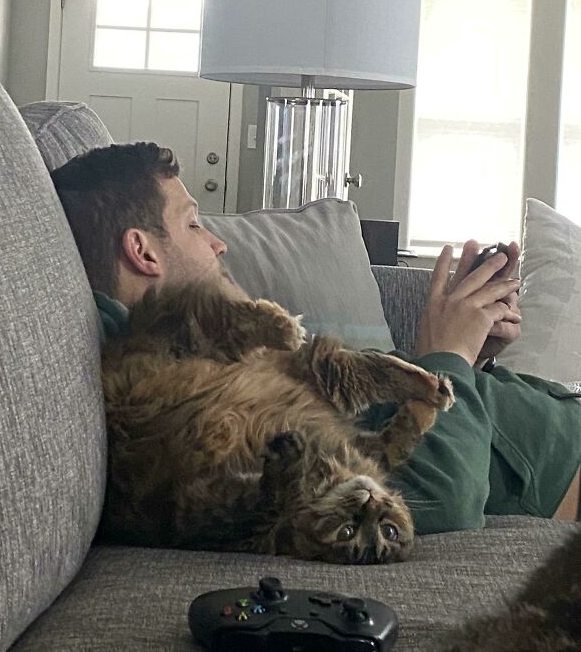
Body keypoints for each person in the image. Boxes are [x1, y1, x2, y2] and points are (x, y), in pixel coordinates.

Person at [51, 142, 581, 535]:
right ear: (143, 251)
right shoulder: (180, 414)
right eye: (193, 225)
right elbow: (440, 500)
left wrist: (467, 360)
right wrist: (450, 354)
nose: (218, 242)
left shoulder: (205, 358)